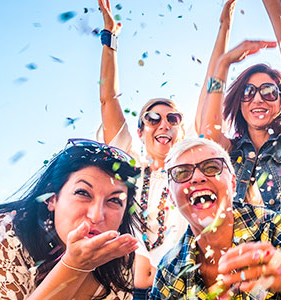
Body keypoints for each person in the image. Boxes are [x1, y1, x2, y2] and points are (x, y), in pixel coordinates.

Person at [150, 138, 281, 299]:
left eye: (212, 167)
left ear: (233, 183)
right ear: (172, 198)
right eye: (181, 172)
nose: (197, 177)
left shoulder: (278, 228)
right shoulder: (169, 271)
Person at [95, 0, 188, 296]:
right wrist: (110, 38)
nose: (163, 124)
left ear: (181, 130)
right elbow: (109, 99)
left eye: (172, 119)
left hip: (175, 290)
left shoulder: (192, 177)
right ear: (140, 130)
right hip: (121, 290)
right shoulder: (128, 166)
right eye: (152, 118)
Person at [196, 0, 281, 211]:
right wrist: (223, 65)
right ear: (239, 103)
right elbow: (207, 130)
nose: (258, 99)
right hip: (236, 244)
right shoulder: (229, 151)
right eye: (248, 92)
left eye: (268, 92)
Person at [0, 139, 140, 299]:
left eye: (114, 200)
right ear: (51, 198)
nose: (96, 216)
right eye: (83, 193)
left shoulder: (119, 260)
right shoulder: (5, 233)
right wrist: (74, 266)